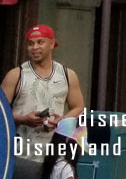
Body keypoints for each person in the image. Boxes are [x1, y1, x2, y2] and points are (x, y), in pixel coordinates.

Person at [2, 25, 85, 163]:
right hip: (19, 154)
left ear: (52, 44)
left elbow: (78, 107)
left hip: (53, 154)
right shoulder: (16, 75)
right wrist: (23, 119)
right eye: (30, 43)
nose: (34, 47)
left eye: (40, 42)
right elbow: (1, 112)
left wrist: (61, 120)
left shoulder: (68, 75)